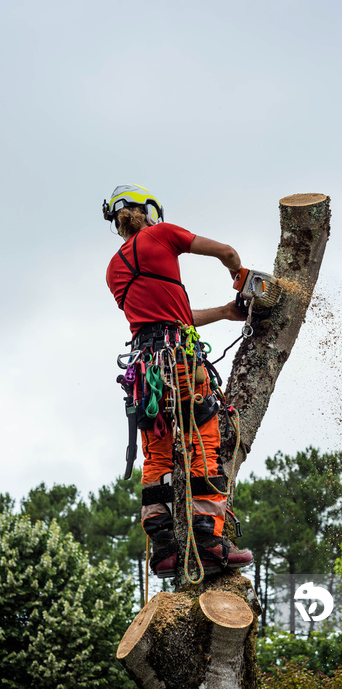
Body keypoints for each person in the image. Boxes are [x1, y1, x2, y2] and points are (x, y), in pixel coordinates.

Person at [104, 184, 253, 578]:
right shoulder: (163, 234)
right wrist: (240, 276)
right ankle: (208, 542)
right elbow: (227, 252)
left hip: (143, 373)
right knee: (204, 439)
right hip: (179, 362)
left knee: (156, 453)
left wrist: (224, 311)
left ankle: (164, 549)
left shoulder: (113, 270)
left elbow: (171, 313)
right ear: (150, 211)